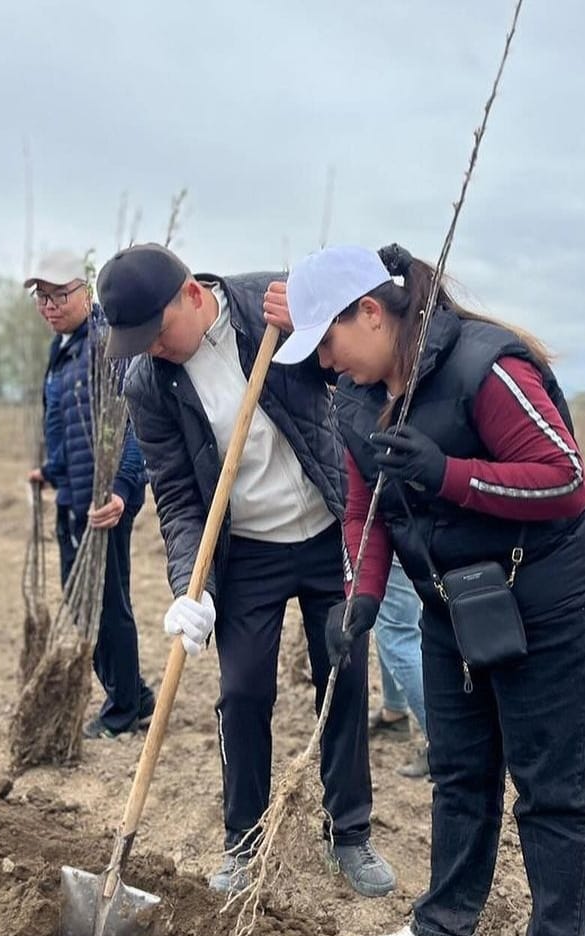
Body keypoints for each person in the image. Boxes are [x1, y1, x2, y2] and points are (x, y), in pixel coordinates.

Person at [271, 244, 585, 936]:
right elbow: (364, 506)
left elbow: (564, 481)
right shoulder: (357, 398)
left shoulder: (483, 369)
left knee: (552, 788)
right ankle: (443, 934)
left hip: (547, 604)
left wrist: (449, 472)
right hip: (450, 606)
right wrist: (358, 594)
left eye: (328, 339)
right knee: (459, 772)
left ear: (371, 311)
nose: (325, 360)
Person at [96, 242, 394, 899]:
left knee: (342, 680)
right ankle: (244, 843)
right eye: (137, 340)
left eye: (157, 331)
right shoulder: (149, 383)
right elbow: (175, 495)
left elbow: (361, 363)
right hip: (248, 552)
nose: (152, 348)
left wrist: (311, 317)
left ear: (192, 296)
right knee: (242, 694)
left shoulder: (272, 306)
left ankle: (350, 833)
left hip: (326, 528)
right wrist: (186, 588)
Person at [23, 250, 156, 739]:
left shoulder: (108, 346)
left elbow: (137, 424)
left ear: (87, 292)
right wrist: (52, 470)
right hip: (74, 495)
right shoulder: (63, 350)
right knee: (82, 603)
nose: (50, 305)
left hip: (104, 503)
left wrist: (123, 489)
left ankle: (123, 710)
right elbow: (65, 426)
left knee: (105, 605)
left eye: (60, 295)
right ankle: (134, 693)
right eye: (43, 297)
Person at [371, 556, 430, 778]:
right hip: (406, 527)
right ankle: (394, 711)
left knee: (398, 631)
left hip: (385, 525)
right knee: (392, 619)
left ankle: (441, 743)